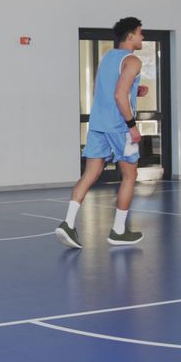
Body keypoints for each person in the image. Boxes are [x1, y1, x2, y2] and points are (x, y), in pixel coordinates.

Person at [55, 17, 148, 249]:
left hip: (98, 124)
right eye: (140, 33)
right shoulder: (133, 60)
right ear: (130, 36)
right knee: (129, 176)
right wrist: (132, 125)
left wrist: (137, 91)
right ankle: (117, 231)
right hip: (119, 127)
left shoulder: (107, 58)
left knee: (90, 174)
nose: (142, 37)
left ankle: (67, 223)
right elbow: (119, 95)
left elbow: (112, 91)